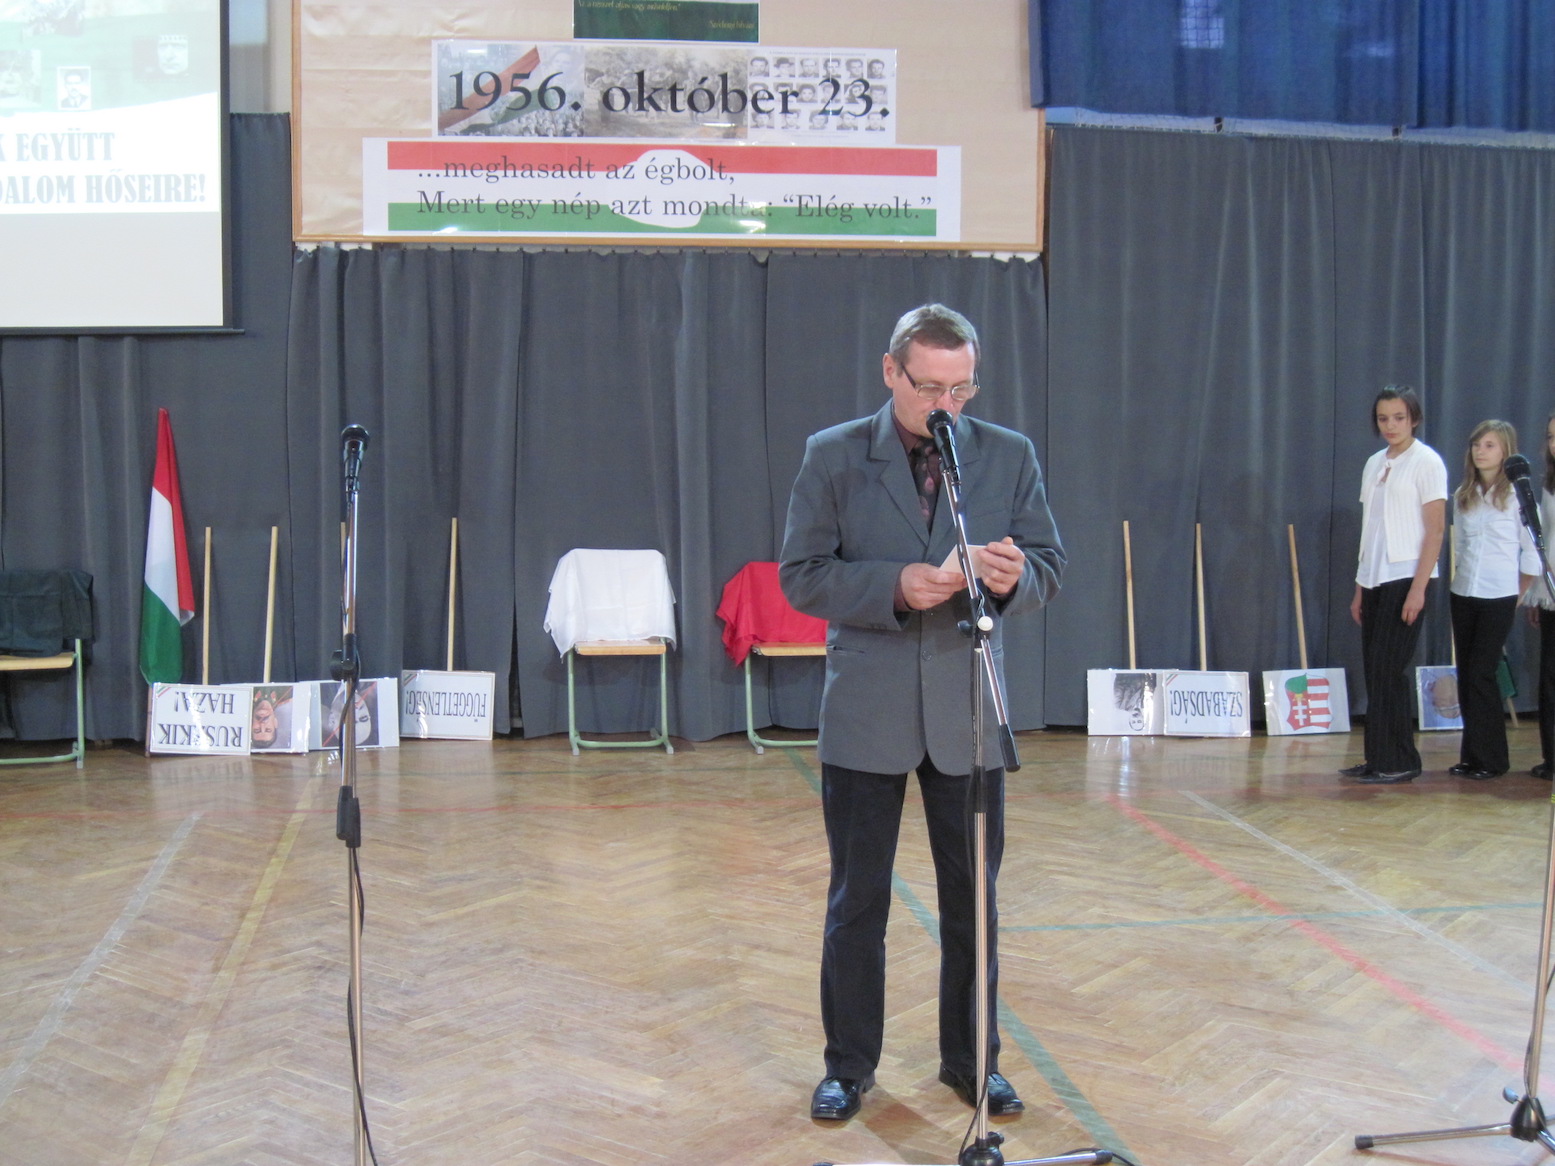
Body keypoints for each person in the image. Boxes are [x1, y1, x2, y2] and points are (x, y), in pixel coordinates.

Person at [780, 303, 1065, 1122]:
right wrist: (895, 586)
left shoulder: (1007, 455)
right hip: (867, 709)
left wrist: (1015, 578)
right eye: (929, 387)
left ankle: (972, 1062)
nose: (946, 405)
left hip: (967, 709)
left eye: (960, 389)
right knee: (857, 902)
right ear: (890, 372)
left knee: (973, 904)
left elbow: (1048, 563)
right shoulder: (832, 454)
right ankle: (848, 1067)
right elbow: (801, 575)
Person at [1340, 385, 1447, 784]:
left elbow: (1435, 530)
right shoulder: (1374, 463)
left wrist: (1418, 588)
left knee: (1390, 669)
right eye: (1383, 418)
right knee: (1374, 670)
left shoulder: (1427, 462)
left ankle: (1400, 759)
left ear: (1413, 419)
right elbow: (1370, 530)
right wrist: (1359, 587)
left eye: (1399, 418)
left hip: (1407, 577)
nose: (1390, 425)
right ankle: (1378, 757)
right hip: (1374, 578)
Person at [1446, 421, 1539, 779]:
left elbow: (1531, 552)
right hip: (1464, 592)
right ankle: (1472, 755)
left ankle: (1493, 759)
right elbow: (1462, 546)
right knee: (1467, 674)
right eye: (1476, 445)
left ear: (1505, 451)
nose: (1480, 451)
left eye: (1490, 445)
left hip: (1499, 595)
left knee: (1482, 674)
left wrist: (1518, 593)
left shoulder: (1517, 496)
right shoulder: (1463, 494)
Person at [1523, 411, 1555, 779]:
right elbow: (1542, 542)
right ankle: (1552, 757)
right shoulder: (1547, 484)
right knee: (1550, 677)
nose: (1553, 443)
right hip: (1551, 594)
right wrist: (1536, 591)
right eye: (1549, 437)